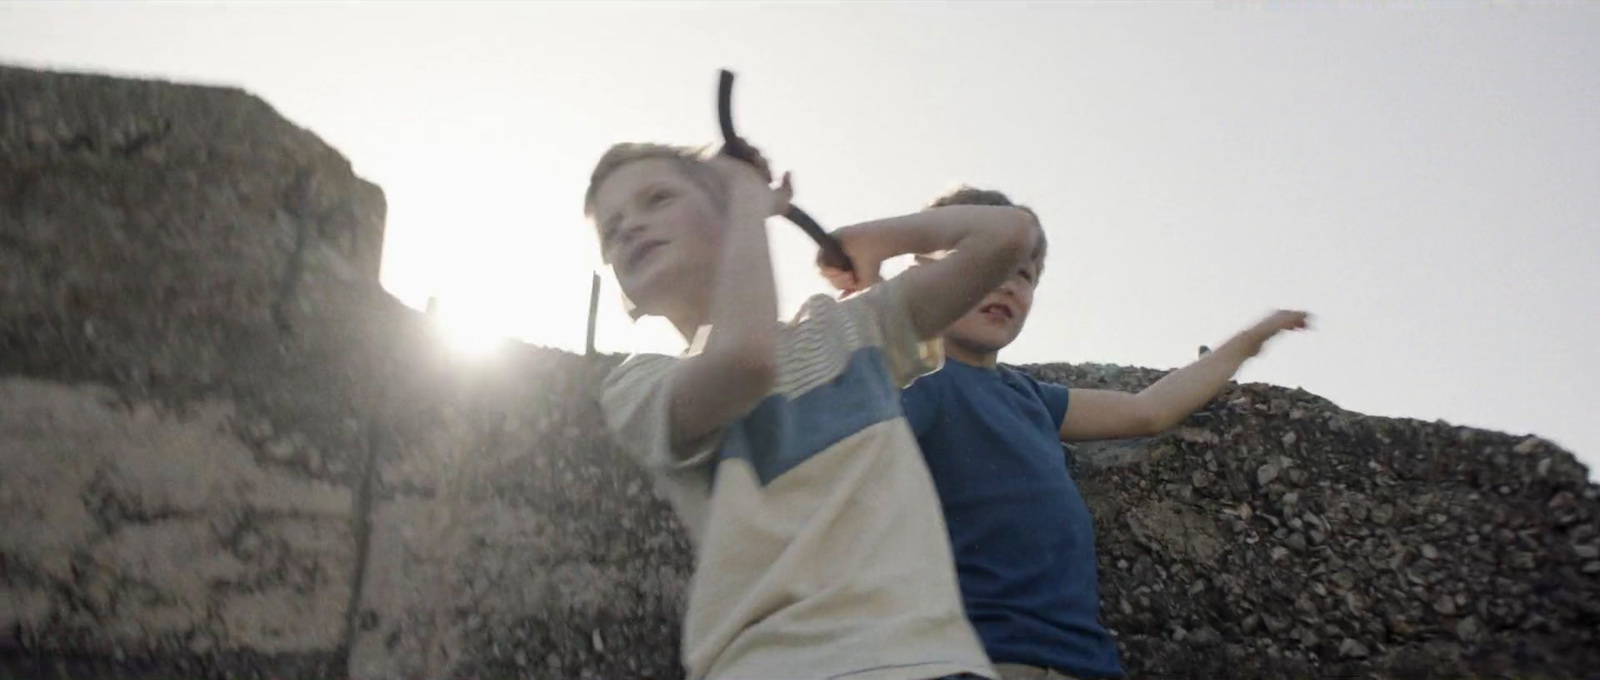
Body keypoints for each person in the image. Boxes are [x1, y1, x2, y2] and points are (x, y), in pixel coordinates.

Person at [590, 144, 1042, 680]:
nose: (630, 228)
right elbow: (743, 360)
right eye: (612, 229)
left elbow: (1010, 234)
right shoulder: (637, 387)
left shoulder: (850, 327)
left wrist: (881, 237)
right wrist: (743, 199)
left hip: (930, 662)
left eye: (657, 198)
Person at [827, 186, 1311, 680]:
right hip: (972, 659)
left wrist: (1250, 341)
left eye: (1024, 274)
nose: (1007, 285)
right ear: (924, 277)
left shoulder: (1030, 397)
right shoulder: (916, 382)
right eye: (985, 266)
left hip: (1083, 662)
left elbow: (1147, 412)